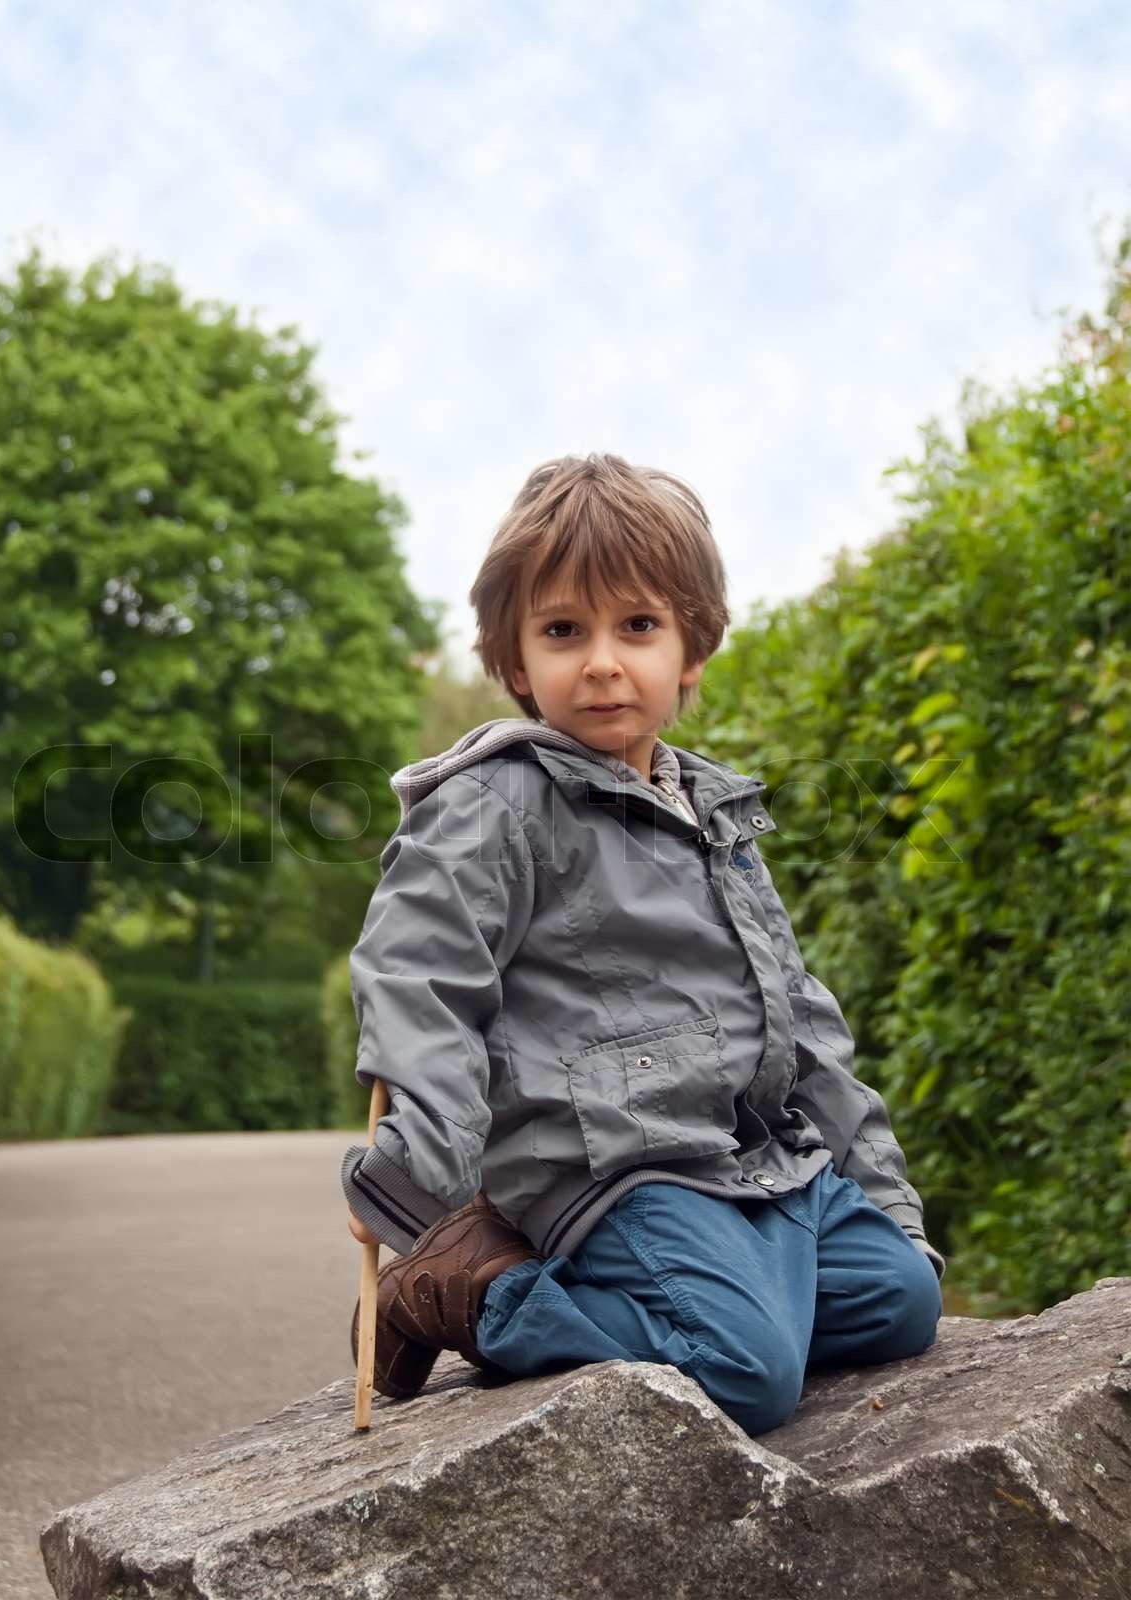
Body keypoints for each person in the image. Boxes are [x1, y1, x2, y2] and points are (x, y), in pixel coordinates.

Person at [341, 451, 944, 1437]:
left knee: (900, 1299)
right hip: (614, 1167)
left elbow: (797, 1011)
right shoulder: (492, 805)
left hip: (752, 1162)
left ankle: (716, 1293)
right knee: (747, 1371)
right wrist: (415, 1170)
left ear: (690, 650)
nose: (603, 660)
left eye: (638, 626)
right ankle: (470, 1293)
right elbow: (421, 979)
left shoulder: (718, 816)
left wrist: (882, 1197)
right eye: (563, 630)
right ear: (513, 660)